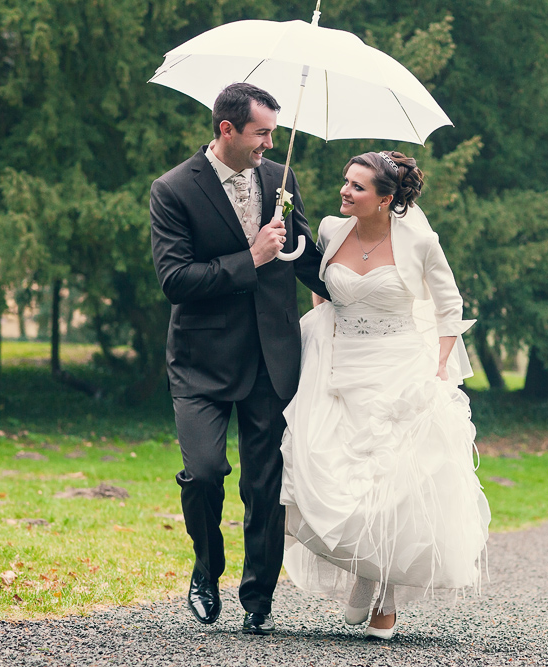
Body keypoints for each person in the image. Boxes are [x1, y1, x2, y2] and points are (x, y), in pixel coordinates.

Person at [280, 150, 490, 640]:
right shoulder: (332, 229)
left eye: (357, 186)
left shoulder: (420, 241)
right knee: (330, 471)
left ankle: (385, 596)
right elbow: (325, 288)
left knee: (391, 485)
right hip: (335, 364)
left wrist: (439, 364)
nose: (344, 191)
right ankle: (364, 573)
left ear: (385, 199)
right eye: (345, 182)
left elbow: (449, 303)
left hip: (396, 368)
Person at [150, 83, 329, 635]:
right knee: (203, 474)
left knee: (266, 485)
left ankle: (259, 598)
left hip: (273, 358)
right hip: (201, 361)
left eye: (274, 133)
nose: (269, 144)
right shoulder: (174, 189)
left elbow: (300, 253)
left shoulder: (280, 178)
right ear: (226, 129)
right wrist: (248, 257)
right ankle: (206, 570)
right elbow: (175, 280)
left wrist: (358, 288)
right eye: (261, 133)